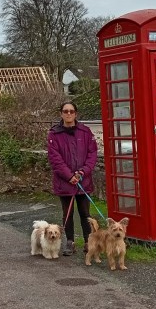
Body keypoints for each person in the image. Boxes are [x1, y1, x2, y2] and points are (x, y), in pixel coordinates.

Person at [47, 101, 98, 256]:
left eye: (71, 111)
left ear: (76, 113)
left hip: (83, 180)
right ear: (61, 114)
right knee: (67, 213)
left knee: (85, 213)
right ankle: (70, 242)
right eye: (65, 111)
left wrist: (82, 172)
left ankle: (88, 241)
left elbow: (92, 154)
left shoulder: (85, 132)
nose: (68, 114)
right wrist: (69, 176)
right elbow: (55, 158)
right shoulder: (54, 134)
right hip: (64, 181)